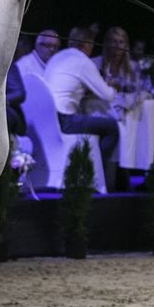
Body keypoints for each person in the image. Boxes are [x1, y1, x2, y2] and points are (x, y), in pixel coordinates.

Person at [44, 25, 119, 186]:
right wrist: (114, 85)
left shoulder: (58, 56)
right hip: (64, 120)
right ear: (87, 44)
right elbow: (107, 95)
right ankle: (95, 171)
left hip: (47, 117)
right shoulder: (83, 61)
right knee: (112, 127)